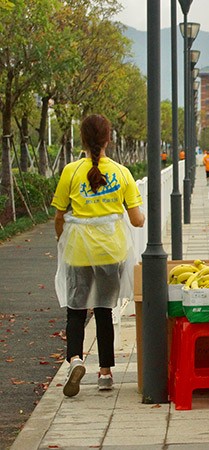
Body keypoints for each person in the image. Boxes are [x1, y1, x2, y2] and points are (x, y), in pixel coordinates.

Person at [52, 114, 145, 397]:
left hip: (78, 250)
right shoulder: (121, 172)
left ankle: (75, 360)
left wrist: (64, 240)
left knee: (76, 310)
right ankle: (105, 374)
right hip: (112, 250)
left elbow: (58, 216)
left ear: (82, 138)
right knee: (105, 310)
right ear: (109, 138)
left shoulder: (70, 171)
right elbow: (138, 220)